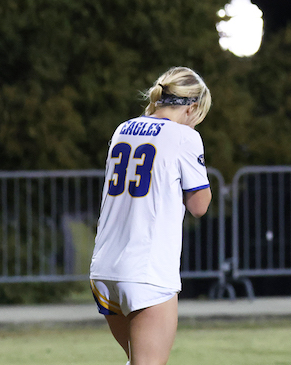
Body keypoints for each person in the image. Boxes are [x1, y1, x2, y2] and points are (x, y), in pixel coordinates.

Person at [89, 66, 213, 365]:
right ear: (192, 107)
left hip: (105, 267)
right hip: (146, 270)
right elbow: (199, 205)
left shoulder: (122, 129)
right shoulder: (185, 136)